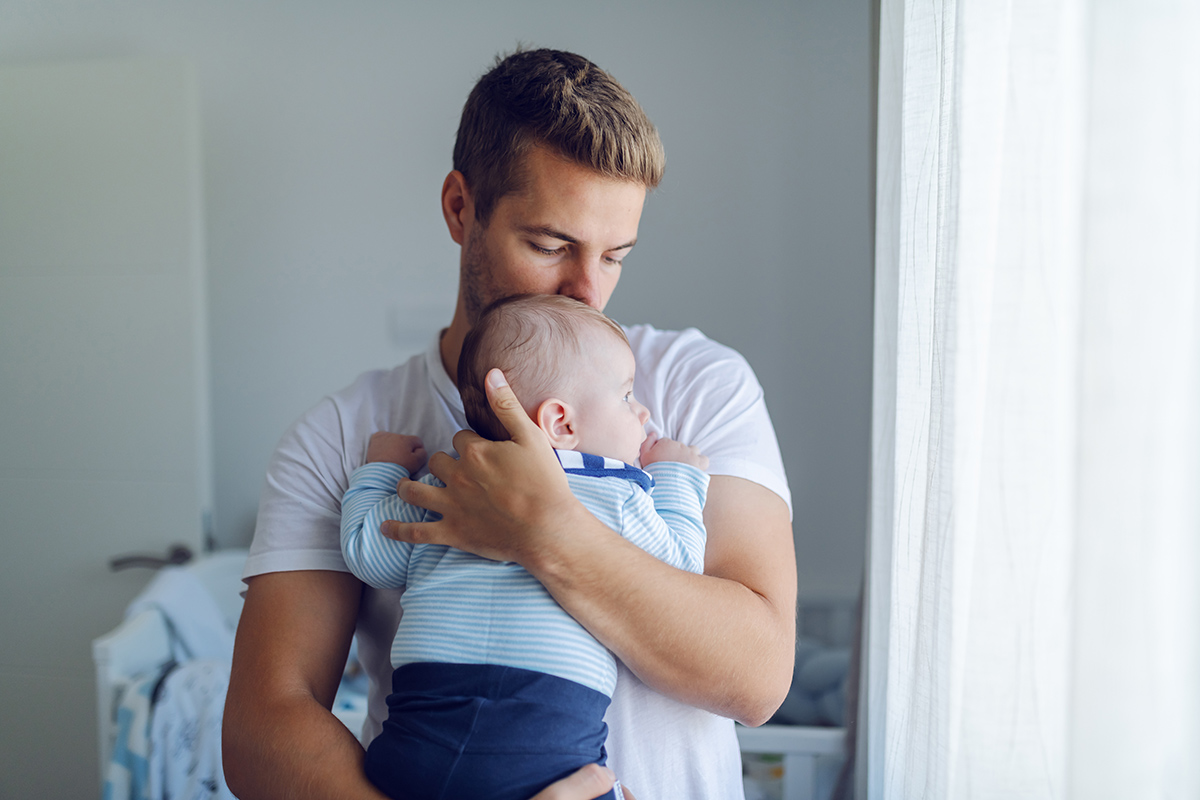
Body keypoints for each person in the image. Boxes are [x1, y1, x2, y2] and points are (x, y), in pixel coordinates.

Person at [223, 47, 797, 800]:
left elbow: (754, 679)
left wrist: (545, 531)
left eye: (615, 255)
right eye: (550, 246)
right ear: (461, 208)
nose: (588, 291)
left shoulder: (694, 387)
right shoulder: (347, 434)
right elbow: (266, 724)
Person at [342, 294, 710, 800]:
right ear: (562, 424)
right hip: (542, 751)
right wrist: (678, 476)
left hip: (414, 746)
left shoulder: (452, 481)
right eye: (627, 396)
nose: (642, 412)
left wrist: (379, 470)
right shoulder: (619, 495)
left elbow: (369, 554)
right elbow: (682, 568)